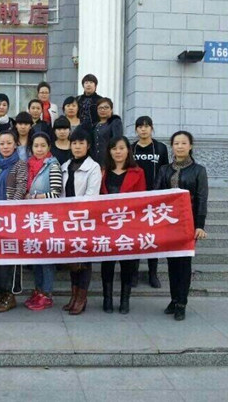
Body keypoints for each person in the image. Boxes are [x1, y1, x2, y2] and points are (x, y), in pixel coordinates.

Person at [155, 131, 209, 321]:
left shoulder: (199, 170)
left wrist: (199, 225)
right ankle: (174, 299)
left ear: (190, 146)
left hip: (188, 224)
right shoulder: (164, 170)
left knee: (184, 264)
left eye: (183, 143)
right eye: (176, 143)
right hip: (169, 224)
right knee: (172, 264)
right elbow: (156, 196)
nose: (179, 146)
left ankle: (182, 303)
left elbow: (201, 199)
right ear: (172, 146)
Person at [100, 136, 146, 314]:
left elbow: (141, 199)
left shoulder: (138, 172)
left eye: (121, 148)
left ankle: (125, 300)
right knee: (107, 264)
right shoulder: (103, 172)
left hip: (129, 225)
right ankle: (107, 298)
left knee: (128, 264)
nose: (117, 152)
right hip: (107, 226)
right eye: (114, 148)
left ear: (128, 150)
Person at [0, 130, 27, 313]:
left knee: (10, 257)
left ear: (15, 144)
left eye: (9, 143)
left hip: (11, 219)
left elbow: (21, 188)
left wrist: (9, 210)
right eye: (2, 143)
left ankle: (11, 295)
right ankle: (2, 293)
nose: (5, 147)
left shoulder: (20, 164)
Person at [61, 128, 101, 315]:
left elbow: (91, 195)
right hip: (67, 220)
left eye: (81, 143)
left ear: (88, 145)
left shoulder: (93, 167)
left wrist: (76, 213)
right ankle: (73, 295)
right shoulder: (65, 166)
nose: (77, 147)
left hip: (84, 220)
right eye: (74, 143)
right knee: (73, 260)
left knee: (84, 261)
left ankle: (82, 298)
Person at [24, 132, 63, 311]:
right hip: (33, 219)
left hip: (48, 219)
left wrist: (34, 197)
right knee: (37, 257)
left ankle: (47, 293)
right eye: (36, 146)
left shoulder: (53, 165)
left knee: (46, 258)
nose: (39, 149)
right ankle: (38, 290)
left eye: (43, 146)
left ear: (49, 147)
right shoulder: (30, 165)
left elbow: (56, 193)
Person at [131, 115, 169, 289]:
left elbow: (165, 171)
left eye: (146, 126)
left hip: (154, 199)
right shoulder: (132, 148)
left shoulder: (160, 148)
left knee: (153, 238)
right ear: (136, 130)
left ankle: (153, 273)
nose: (143, 129)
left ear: (152, 128)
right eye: (140, 126)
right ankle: (133, 273)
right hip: (135, 200)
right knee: (135, 237)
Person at [91, 97, 123, 166]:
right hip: (95, 162)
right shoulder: (95, 126)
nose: (103, 110)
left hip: (110, 161)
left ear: (111, 109)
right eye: (100, 108)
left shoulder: (115, 122)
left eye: (106, 107)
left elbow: (117, 141)